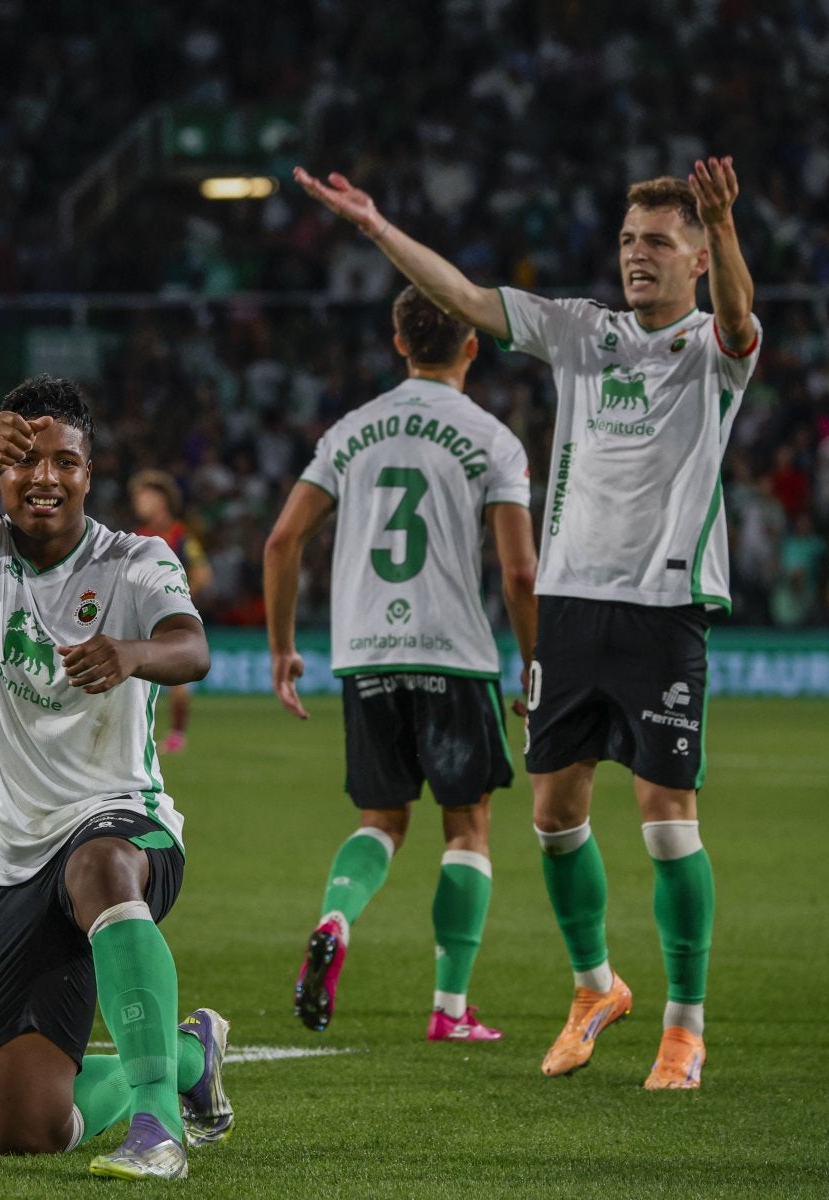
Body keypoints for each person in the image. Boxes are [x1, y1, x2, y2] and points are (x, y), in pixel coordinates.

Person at [297, 156, 761, 1089]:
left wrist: (727, 225)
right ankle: (594, 987)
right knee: (553, 819)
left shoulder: (714, 349)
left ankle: (684, 1026)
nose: (637, 255)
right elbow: (465, 298)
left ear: (698, 259)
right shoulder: (584, 331)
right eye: (628, 240)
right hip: (571, 606)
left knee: (667, 826)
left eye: (658, 242)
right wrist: (376, 227)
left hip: (665, 610)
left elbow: (743, 321)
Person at [0, 374, 230, 1180]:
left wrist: (133, 652)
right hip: (11, 860)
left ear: (88, 473)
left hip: (123, 822)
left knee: (97, 864)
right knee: (19, 1129)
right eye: (26, 460)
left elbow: (192, 646)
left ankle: (158, 1128)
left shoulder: (134, 560)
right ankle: (189, 1057)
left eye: (64, 461)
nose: (45, 478)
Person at [264, 285, 539, 1044]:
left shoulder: (350, 432)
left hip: (365, 653)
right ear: (473, 344)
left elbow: (282, 541)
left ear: (398, 343)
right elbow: (520, 573)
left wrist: (283, 648)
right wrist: (535, 664)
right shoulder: (493, 439)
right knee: (468, 827)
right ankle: (449, 1009)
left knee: (381, 821)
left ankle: (335, 916)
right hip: (454, 651)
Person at [130, 469, 215, 754]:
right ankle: (136, 734)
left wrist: (175, 600)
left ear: (161, 500)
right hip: (139, 617)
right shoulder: (137, 537)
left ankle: (177, 734)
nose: (138, 502)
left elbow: (202, 574)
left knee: (177, 679)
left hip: (169, 618)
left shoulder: (181, 536)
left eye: (143, 496)